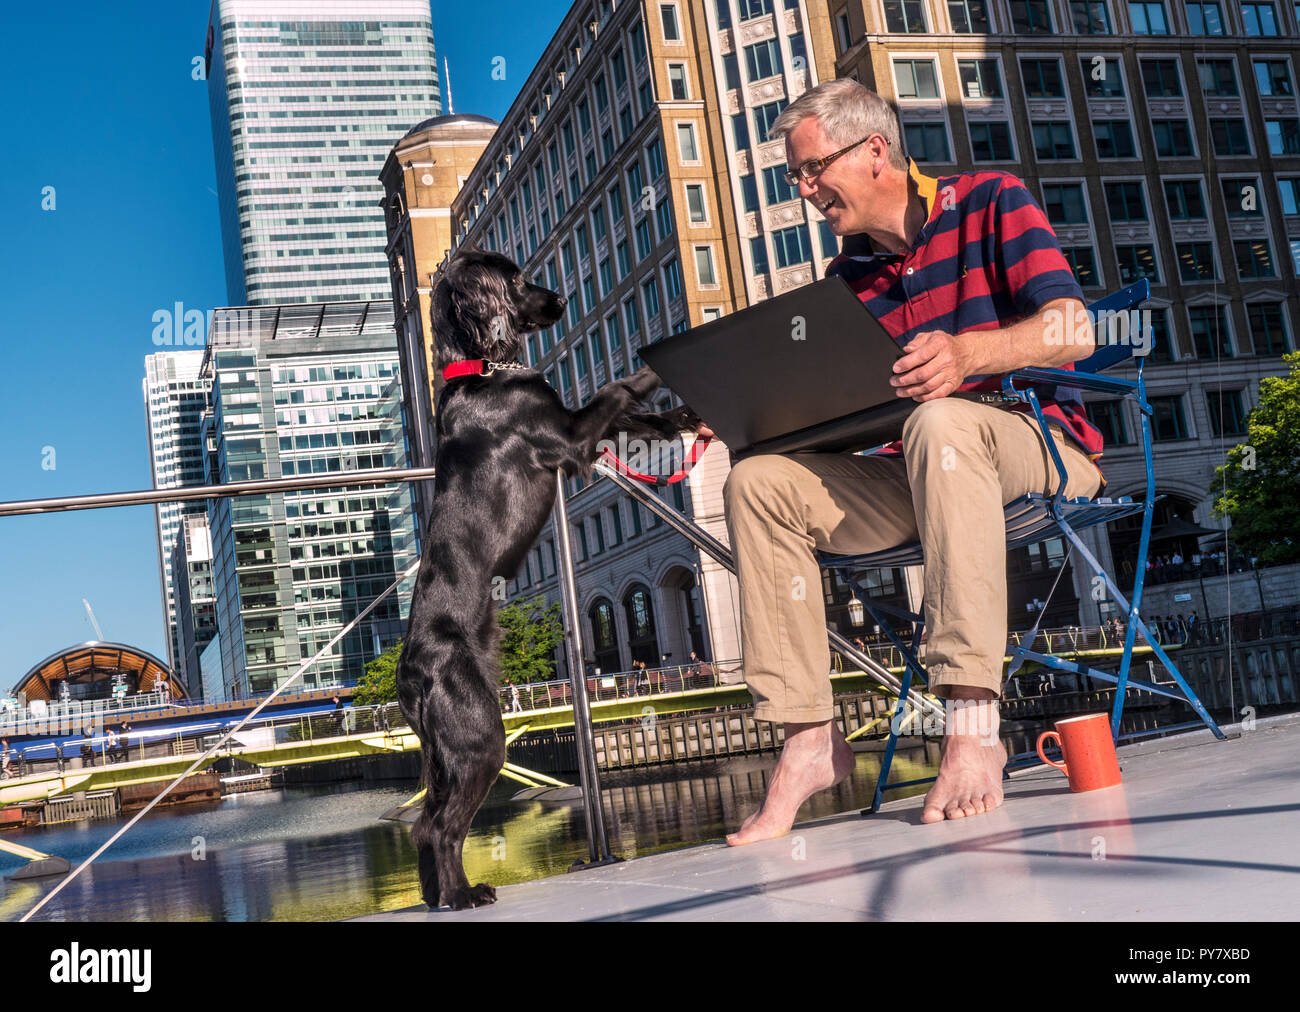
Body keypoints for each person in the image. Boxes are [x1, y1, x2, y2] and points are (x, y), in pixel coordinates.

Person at [698, 79, 1105, 842]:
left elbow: (1073, 328)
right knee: (757, 481)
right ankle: (809, 741)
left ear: (874, 150)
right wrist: (744, 413)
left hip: (1038, 445)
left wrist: (968, 353)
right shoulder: (844, 281)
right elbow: (845, 421)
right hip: (915, 472)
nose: (805, 189)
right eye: (796, 176)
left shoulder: (991, 199)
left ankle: (973, 726)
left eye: (812, 168)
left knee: (943, 422)